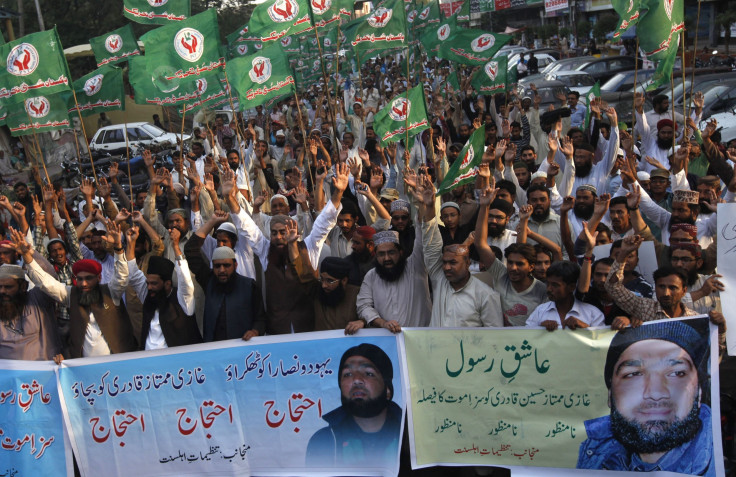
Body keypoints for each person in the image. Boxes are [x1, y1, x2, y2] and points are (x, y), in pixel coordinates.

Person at [577, 320, 715, 475]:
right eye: (634, 374)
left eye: (676, 373)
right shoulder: (592, 456)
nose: (655, 393)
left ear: (699, 392)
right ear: (610, 395)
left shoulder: (721, 460)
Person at [306, 343, 402, 467]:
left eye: (368, 373)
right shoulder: (324, 441)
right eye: (348, 374)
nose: (356, 380)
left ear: (388, 390)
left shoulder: (407, 435)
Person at [125, 227, 202, 349]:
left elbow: (185, 280)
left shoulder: (183, 300)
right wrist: (131, 242)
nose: (149, 287)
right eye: (148, 283)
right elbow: (133, 274)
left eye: (154, 284)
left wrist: (175, 246)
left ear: (167, 284)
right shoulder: (149, 295)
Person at [526, 260, 604, 330]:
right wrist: (539, 329)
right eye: (548, 284)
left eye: (555, 285)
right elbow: (525, 336)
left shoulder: (593, 314)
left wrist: (585, 328)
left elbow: (602, 341)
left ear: (571, 287)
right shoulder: (540, 311)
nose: (549, 289)